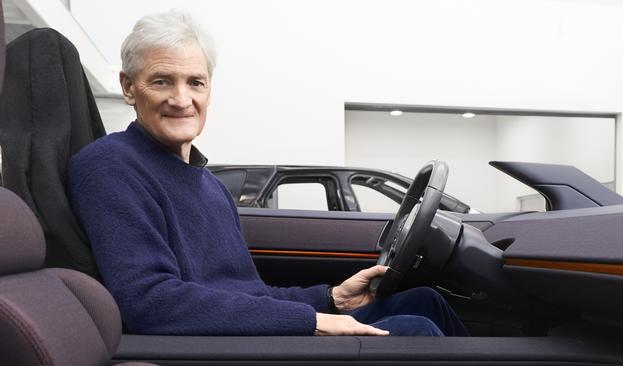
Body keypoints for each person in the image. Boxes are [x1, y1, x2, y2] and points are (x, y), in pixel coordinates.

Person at [67, 10, 468, 337]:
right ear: (128, 87)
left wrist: (331, 299)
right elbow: (150, 302)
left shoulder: (208, 185)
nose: (181, 99)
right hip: (212, 349)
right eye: (161, 81)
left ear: (210, 89)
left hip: (247, 334)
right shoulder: (110, 167)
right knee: (414, 329)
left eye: (196, 82)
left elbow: (250, 294)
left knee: (426, 301)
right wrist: (313, 322)